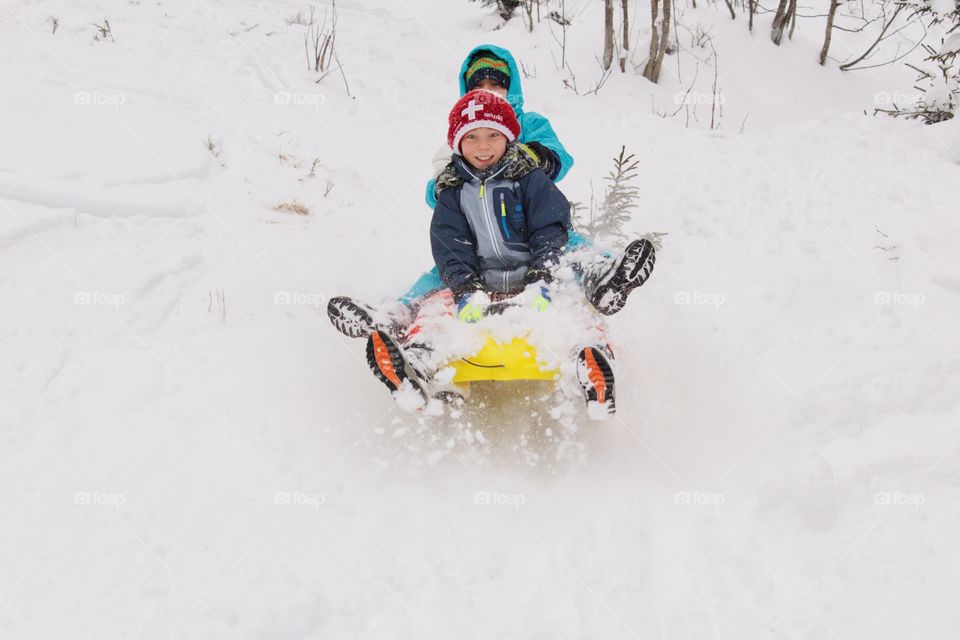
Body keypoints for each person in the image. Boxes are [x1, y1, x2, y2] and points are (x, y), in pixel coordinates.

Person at [358, 89, 656, 415]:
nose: (482, 146)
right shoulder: (452, 193)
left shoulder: (528, 178)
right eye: (471, 137)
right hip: (480, 283)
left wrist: (543, 271)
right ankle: (415, 363)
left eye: (492, 135)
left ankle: (592, 365)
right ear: (457, 144)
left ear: (509, 138)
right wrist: (464, 287)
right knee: (436, 308)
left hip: (534, 276)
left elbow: (550, 227)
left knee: (575, 304)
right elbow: (449, 246)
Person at [327, 45, 578, 333]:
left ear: (512, 88)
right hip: (480, 241)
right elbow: (441, 196)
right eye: (480, 85)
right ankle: (392, 317)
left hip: (528, 224)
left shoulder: (528, 123)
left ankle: (605, 277)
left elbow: (560, 158)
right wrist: (442, 186)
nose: (482, 146)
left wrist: (531, 157)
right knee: (442, 274)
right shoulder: (462, 133)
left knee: (572, 248)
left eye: (497, 85)